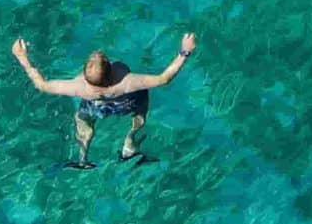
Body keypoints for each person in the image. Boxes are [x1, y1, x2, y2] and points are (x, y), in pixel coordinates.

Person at [11, 34, 196, 168]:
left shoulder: (78, 86)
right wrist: (185, 51)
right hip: (127, 103)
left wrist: (22, 58)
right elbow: (164, 78)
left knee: (83, 122)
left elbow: (41, 84)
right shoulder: (127, 81)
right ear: (111, 72)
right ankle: (129, 145)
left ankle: (82, 159)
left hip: (94, 105)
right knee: (139, 113)